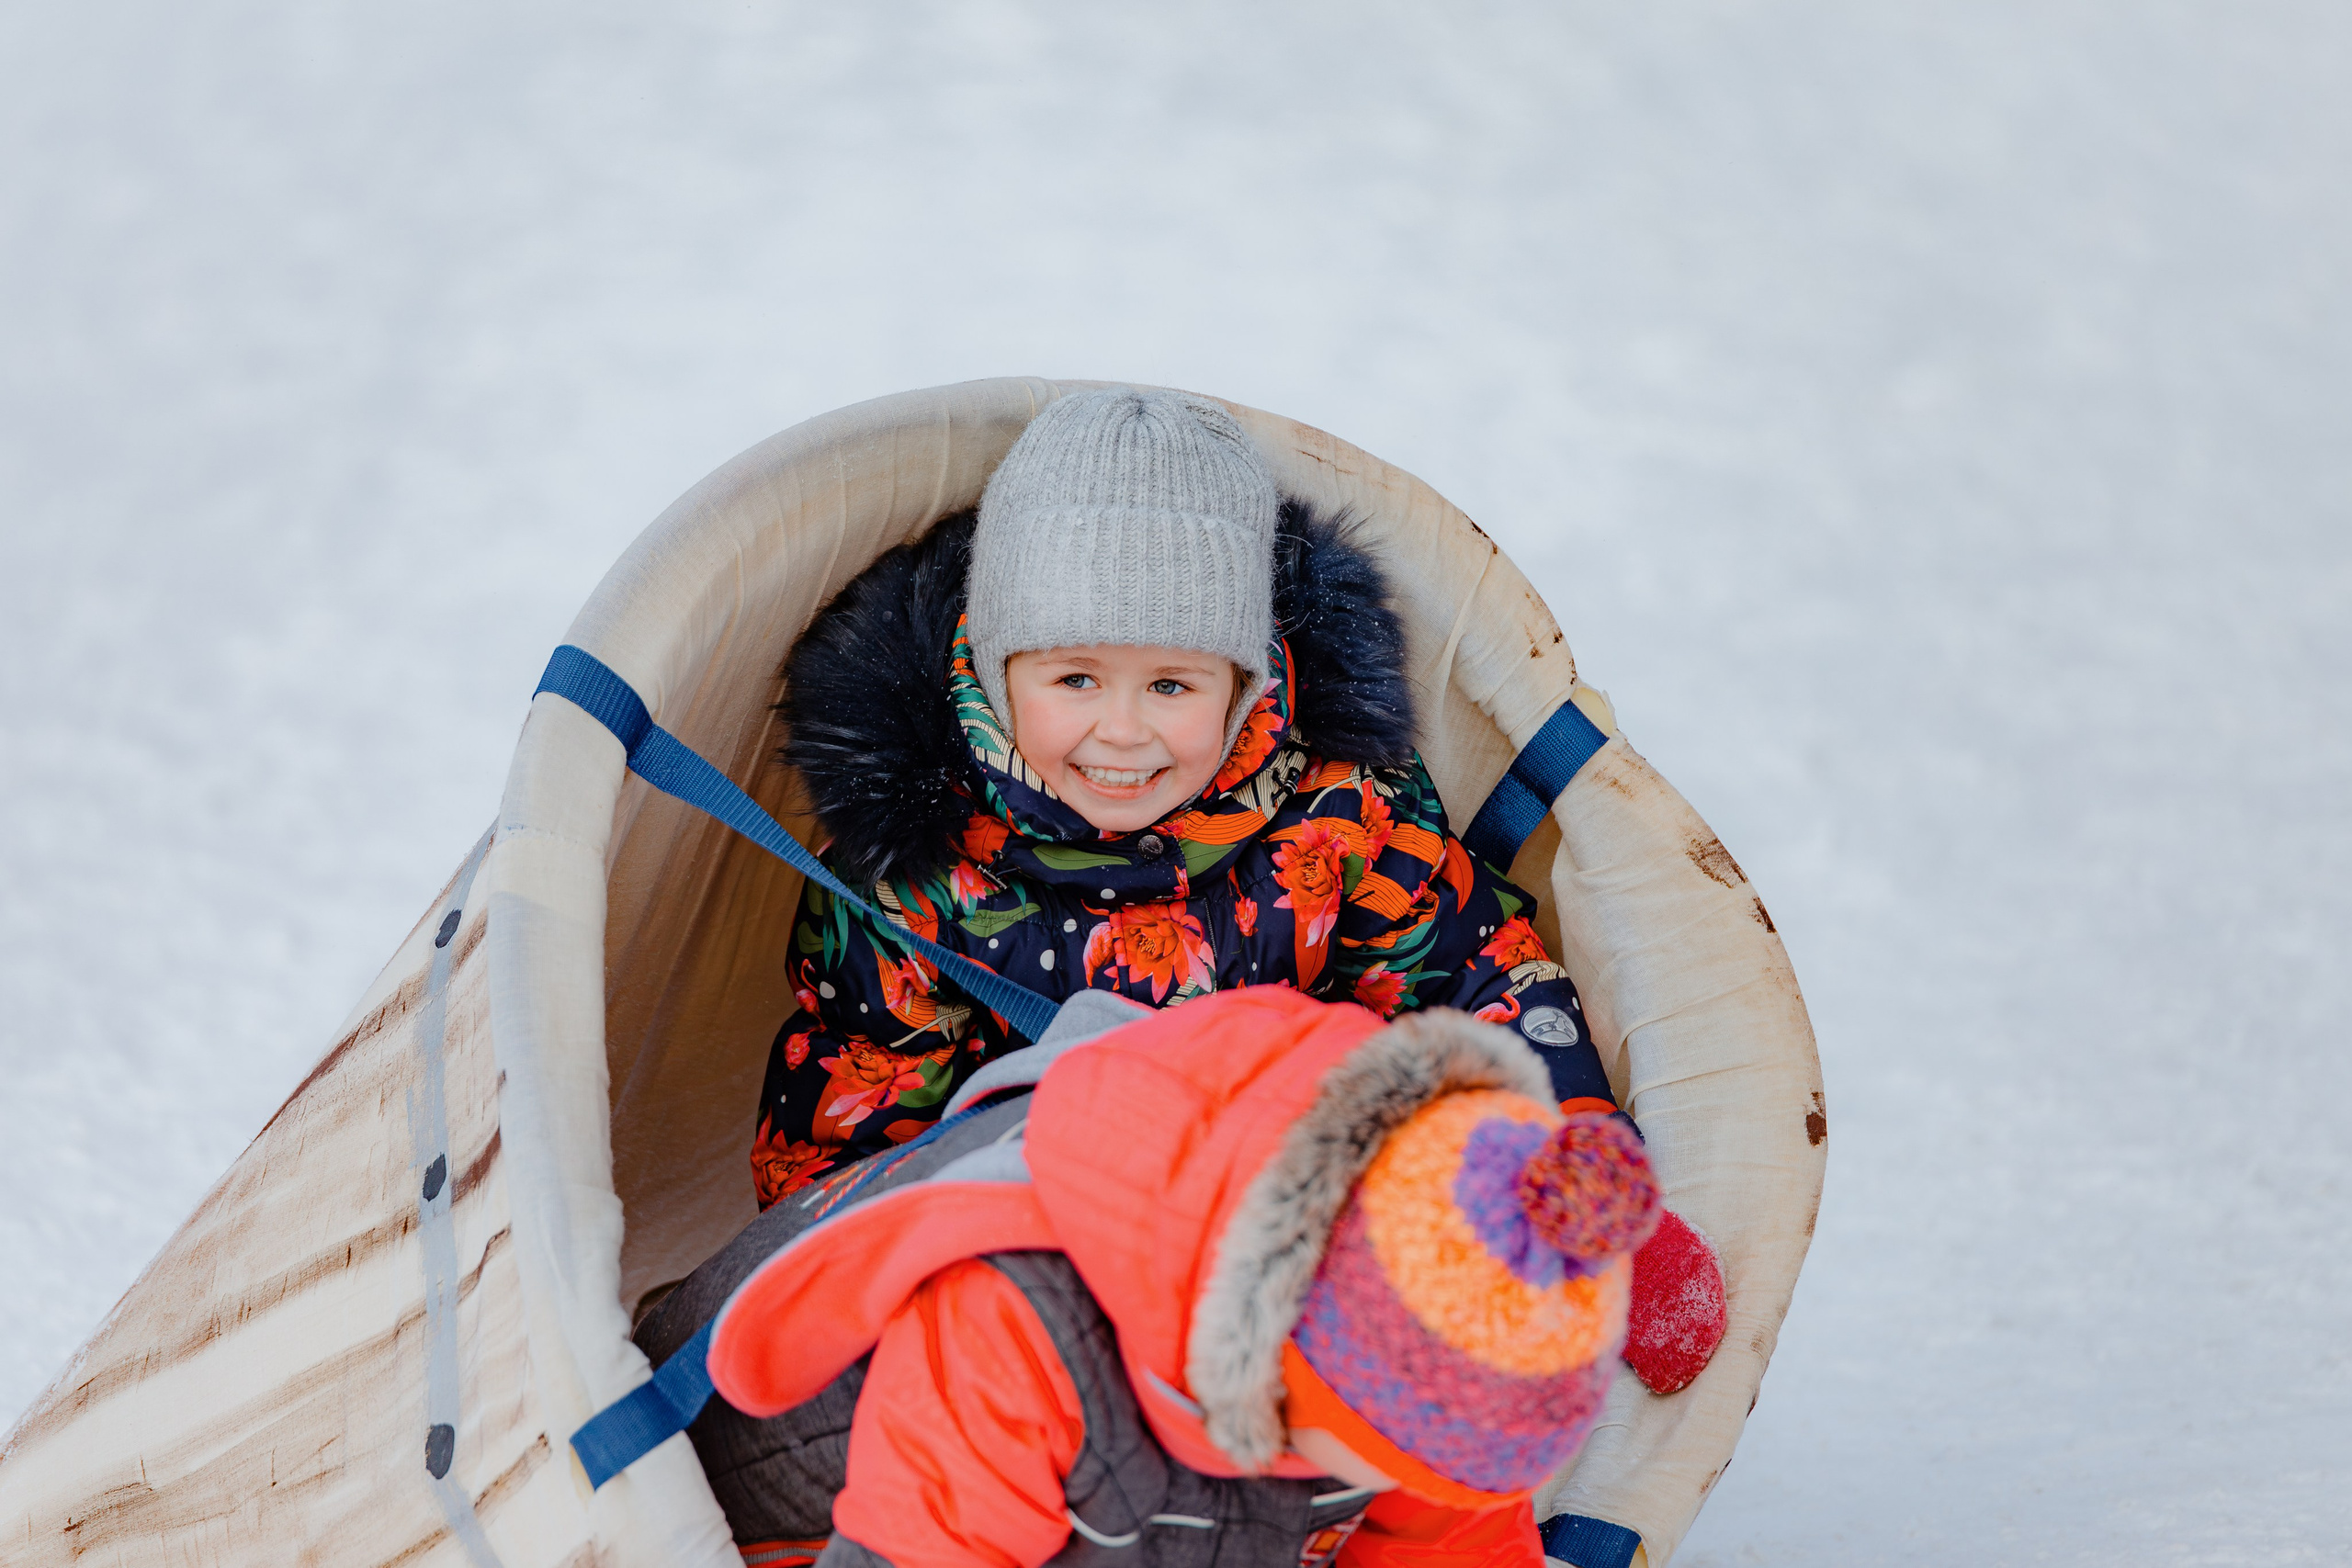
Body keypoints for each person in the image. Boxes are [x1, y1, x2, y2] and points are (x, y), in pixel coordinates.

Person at [750, 388, 1618, 1205]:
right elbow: (852, 1126)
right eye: (1077, 677)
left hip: (1287, 1225)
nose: (1122, 731)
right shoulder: (915, 875)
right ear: (997, 671)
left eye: (1172, 685)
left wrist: (1573, 1148)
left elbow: (1478, 976)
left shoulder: (1341, 815)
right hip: (1030, 1232)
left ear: (1242, 684)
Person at [698, 988, 1665, 1568]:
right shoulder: (1015, 1322)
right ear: (1281, 1359)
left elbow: (1453, 1537)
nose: (1414, 1486)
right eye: (1391, 1461)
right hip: (796, 1522)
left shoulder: (1427, 1351)